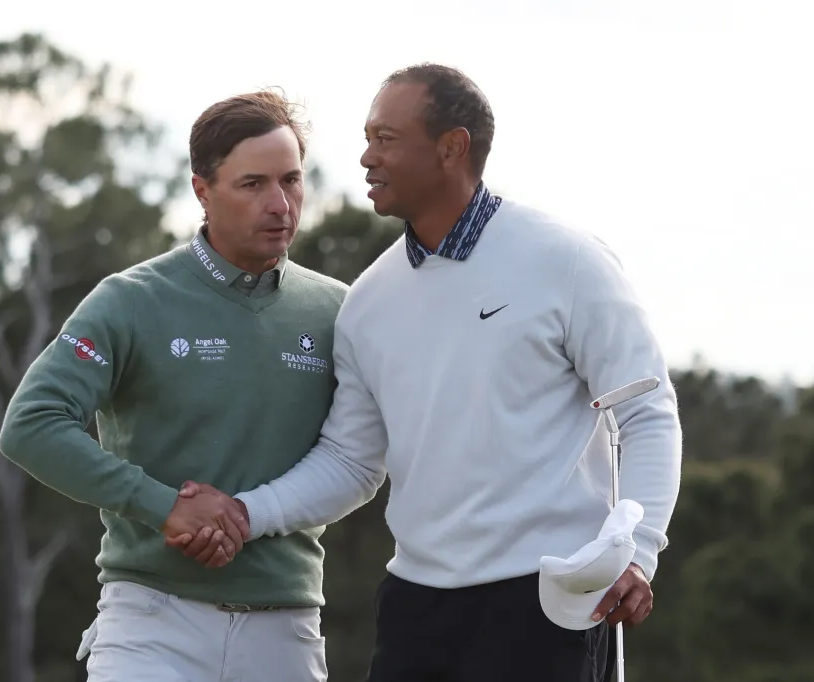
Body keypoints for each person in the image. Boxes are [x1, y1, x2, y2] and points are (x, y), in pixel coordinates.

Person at [174, 63, 683, 682]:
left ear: (451, 148)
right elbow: (352, 461)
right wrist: (244, 514)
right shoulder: (368, 300)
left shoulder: (568, 261)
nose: (365, 157)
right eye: (367, 138)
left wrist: (641, 552)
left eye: (386, 139)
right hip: (416, 611)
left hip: (547, 606)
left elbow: (647, 415)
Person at [0, 89, 347, 682]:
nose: (280, 204)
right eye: (253, 183)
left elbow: (361, 459)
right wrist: (165, 510)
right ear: (202, 190)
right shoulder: (130, 301)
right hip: (151, 622)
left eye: (291, 180)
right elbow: (31, 425)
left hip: (285, 628)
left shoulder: (340, 311)